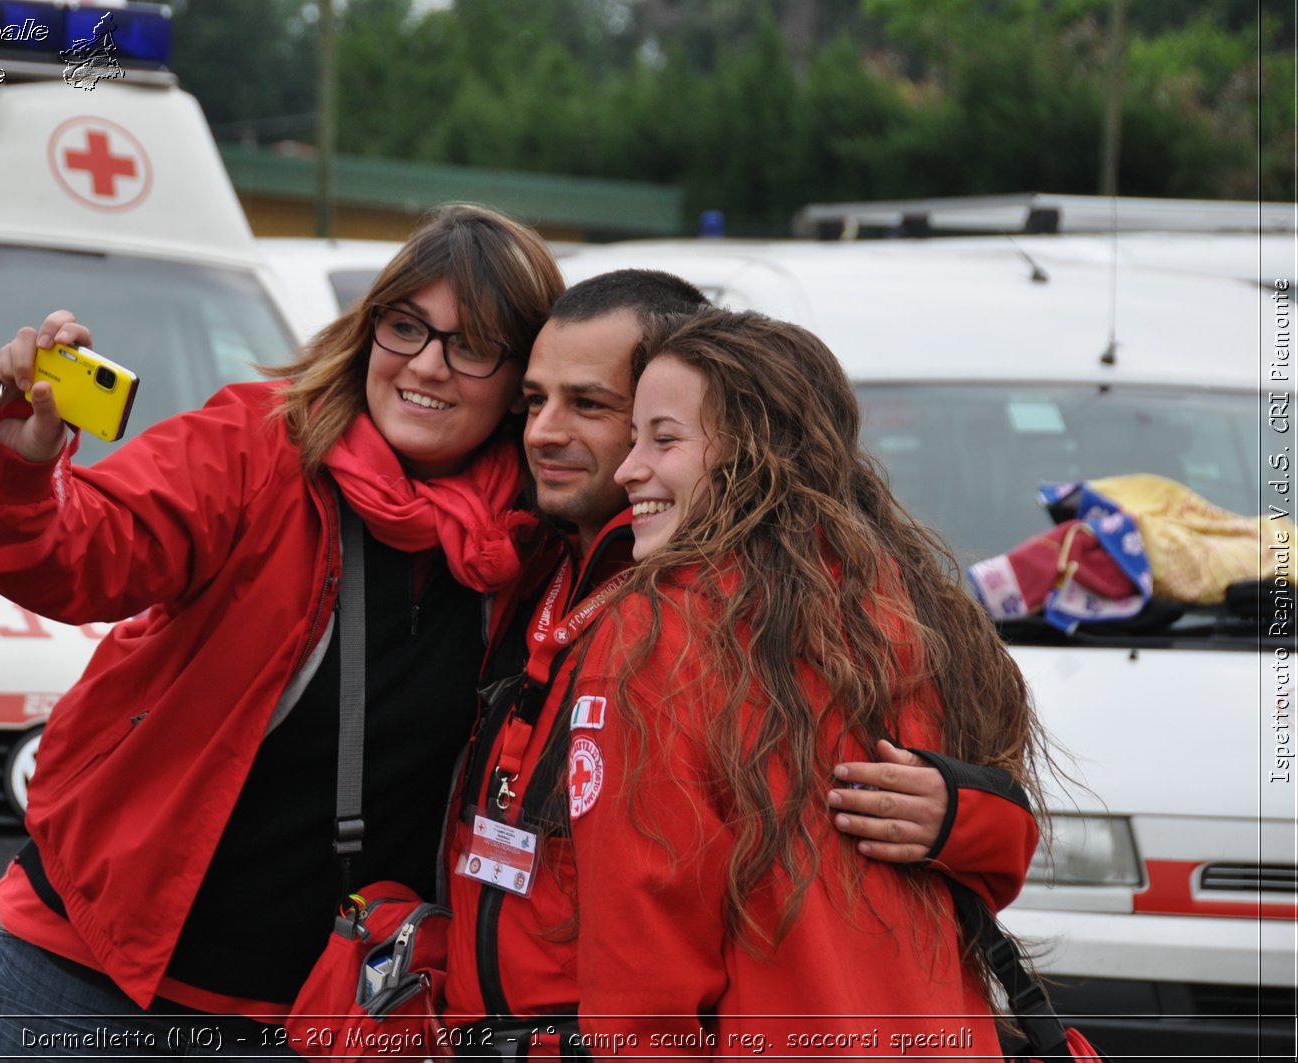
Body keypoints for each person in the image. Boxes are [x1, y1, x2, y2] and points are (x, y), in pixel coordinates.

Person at [0, 204, 566, 1056]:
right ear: (369, 331)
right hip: (87, 974)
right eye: (406, 326)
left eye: (472, 344)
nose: (428, 363)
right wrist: (21, 465)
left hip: (324, 1012)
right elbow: (76, 552)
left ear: (519, 383)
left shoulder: (541, 539)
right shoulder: (260, 447)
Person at [438, 273, 1040, 1049]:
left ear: (742, 441)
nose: (546, 431)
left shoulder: (677, 621)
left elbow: (649, 945)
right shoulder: (898, 595)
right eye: (532, 401)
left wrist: (965, 809)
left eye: (595, 407)